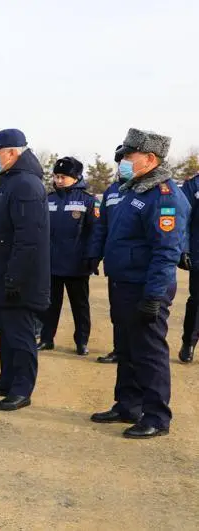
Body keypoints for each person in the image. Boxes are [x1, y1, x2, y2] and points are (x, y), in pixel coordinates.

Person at [90, 128, 189, 438]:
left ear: (150, 158)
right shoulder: (135, 189)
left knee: (149, 353)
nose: (124, 161)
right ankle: (128, 405)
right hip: (123, 284)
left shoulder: (165, 196)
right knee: (127, 349)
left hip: (145, 288)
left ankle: (157, 416)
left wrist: (155, 296)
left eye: (130, 156)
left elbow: (166, 251)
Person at [0, 129, 50, 411]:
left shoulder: (26, 186)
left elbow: (28, 237)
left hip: (20, 277)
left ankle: (22, 388)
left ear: (12, 153)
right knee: (7, 332)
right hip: (4, 273)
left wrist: (15, 276)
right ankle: (6, 380)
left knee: (20, 335)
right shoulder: (11, 181)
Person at [37, 157, 95, 356]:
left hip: (77, 265)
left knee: (80, 306)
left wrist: (92, 257)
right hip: (51, 263)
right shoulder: (49, 199)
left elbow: (95, 232)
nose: (59, 180)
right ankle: (46, 339)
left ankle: (81, 341)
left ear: (76, 177)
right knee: (49, 305)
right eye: (56, 176)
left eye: (63, 177)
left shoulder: (88, 200)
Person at [86, 146, 127, 364]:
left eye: (127, 160)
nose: (123, 165)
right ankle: (119, 349)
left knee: (140, 315)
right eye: (120, 161)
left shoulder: (145, 190)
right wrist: (95, 254)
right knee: (118, 311)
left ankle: (135, 354)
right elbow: (101, 226)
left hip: (139, 266)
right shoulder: (112, 191)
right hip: (116, 263)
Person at [178, 170, 199, 363]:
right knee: (197, 301)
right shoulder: (193, 185)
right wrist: (183, 249)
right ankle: (189, 342)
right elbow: (183, 220)